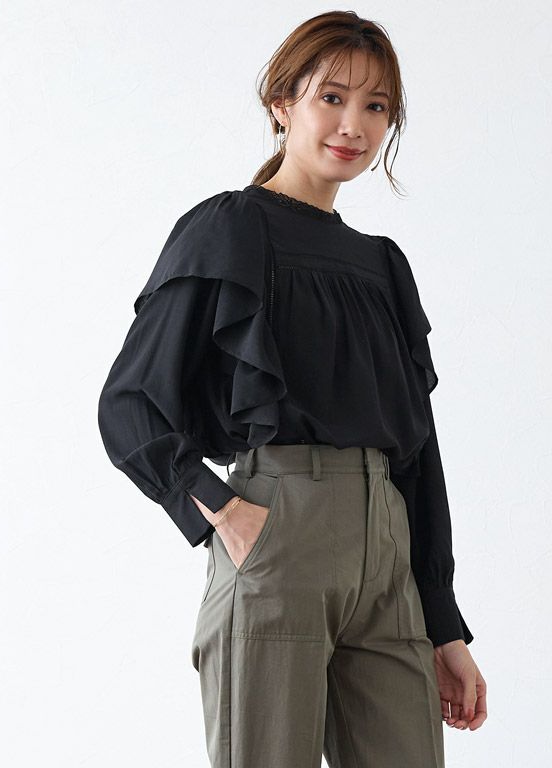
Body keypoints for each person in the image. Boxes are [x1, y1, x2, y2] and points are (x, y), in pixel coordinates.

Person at [97, 10, 487, 767]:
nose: (354, 125)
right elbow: (130, 402)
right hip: (279, 531)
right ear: (282, 104)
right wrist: (222, 511)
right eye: (331, 98)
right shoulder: (230, 228)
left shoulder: (383, 266)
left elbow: (417, 455)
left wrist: (444, 624)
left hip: (388, 552)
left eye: (376, 106)